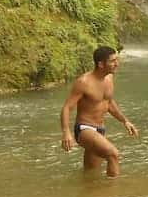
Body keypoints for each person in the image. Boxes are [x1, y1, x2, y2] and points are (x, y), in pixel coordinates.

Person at [59, 46, 138, 177]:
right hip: (85, 129)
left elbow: (109, 103)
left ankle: (91, 196)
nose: (117, 64)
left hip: (100, 130)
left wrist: (125, 121)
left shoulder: (109, 78)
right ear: (101, 64)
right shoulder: (84, 82)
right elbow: (67, 107)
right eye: (113, 61)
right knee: (113, 154)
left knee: (90, 174)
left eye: (116, 60)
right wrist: (66, 132)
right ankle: (113, 194)